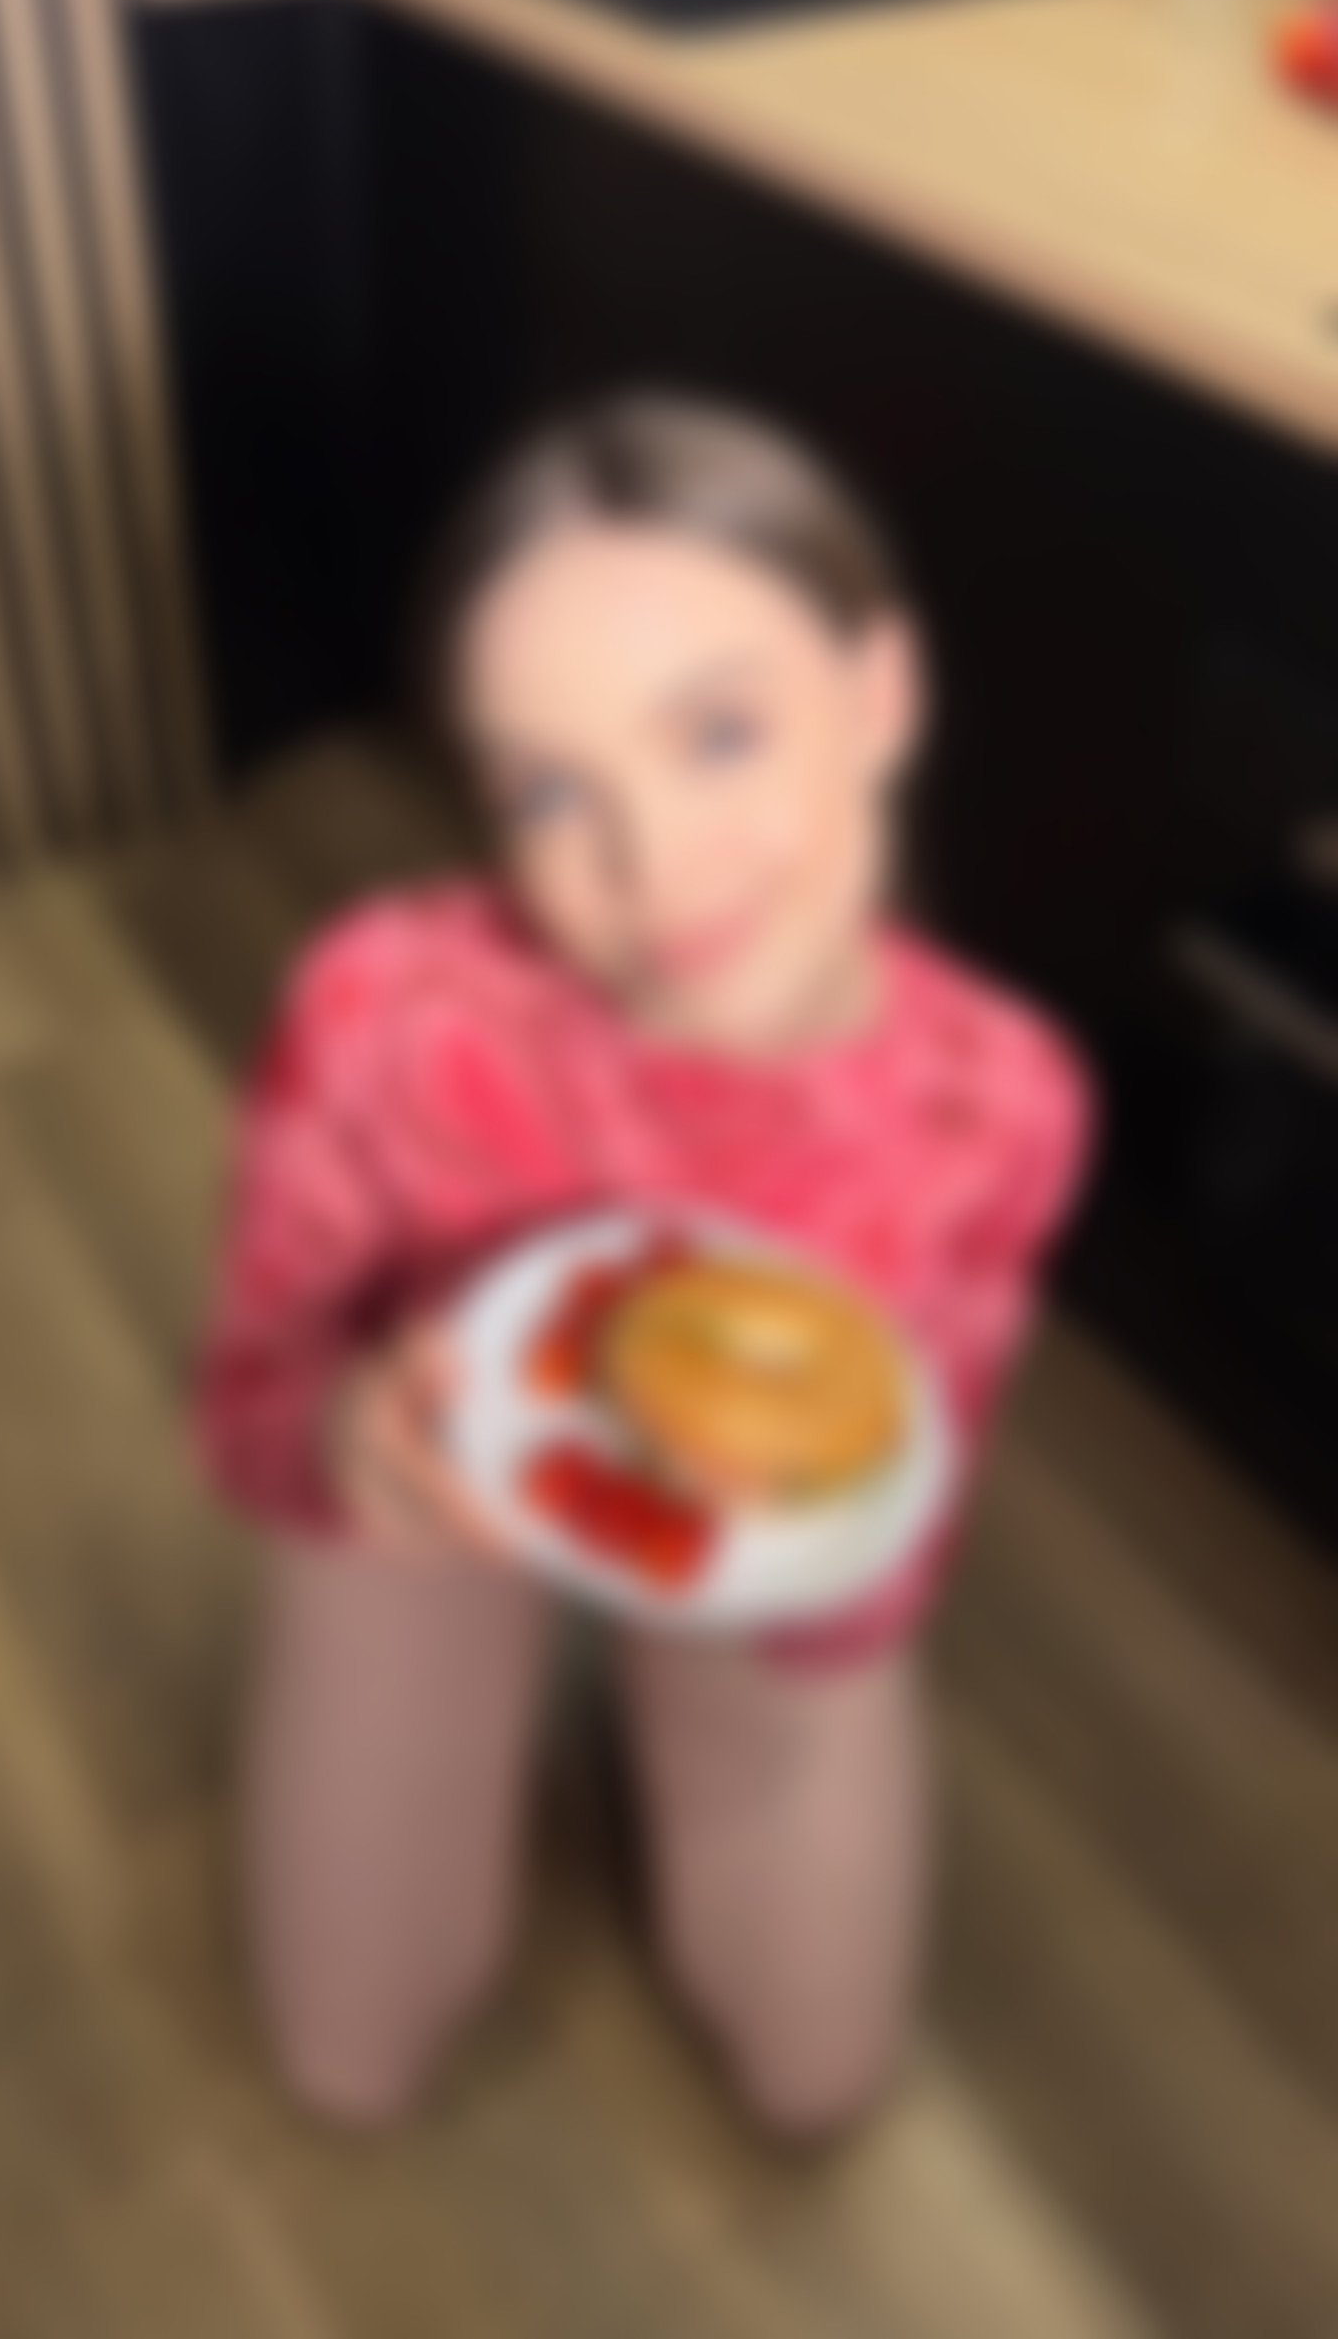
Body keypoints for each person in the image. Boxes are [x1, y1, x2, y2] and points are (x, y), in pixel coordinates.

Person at [192, 394, 1096, 2140]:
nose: (652, 868)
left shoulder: (998, 1107)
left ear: (882, 695)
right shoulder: (387, 1010)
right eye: (549, 788)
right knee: (347, 2056)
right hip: (442, 1479)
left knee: (818, 2076)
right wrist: (342, 1440)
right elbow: (251, 1385)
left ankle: (665, 1723)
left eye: (721, 733)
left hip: (752, 1525)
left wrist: (799, 1577)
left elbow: (910, 1485)